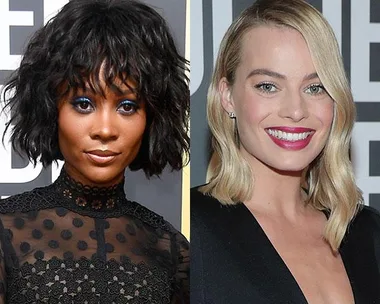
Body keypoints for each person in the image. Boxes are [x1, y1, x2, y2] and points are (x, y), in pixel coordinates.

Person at [191, 0, 380, 303]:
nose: (295, 111)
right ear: (227, 97)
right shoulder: (187, 229)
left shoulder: (366, 231)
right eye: (267, 86)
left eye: (315, 87)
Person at [0, 0, 189, 303]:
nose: (105, 129)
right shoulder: (6, 231)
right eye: (83, 103)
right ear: (52, 109)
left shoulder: (170, 249)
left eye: (127, 106)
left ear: (151, 116)